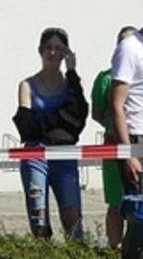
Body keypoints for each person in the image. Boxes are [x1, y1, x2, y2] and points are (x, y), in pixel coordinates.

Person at [12, 27, 88, 240]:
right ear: (40, 51)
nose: (53, 53)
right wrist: (61, 120)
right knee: (40, 220)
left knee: (73, 218)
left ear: (66, 53)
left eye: (58, 48)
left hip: (64, 156)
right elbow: (26, 128)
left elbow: (80, 116)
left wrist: (72, 71)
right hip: (36, 156)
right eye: (48, 48)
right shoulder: (27, 85)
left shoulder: (69, 84)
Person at [109, 3, 143, 215]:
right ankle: (136, 249)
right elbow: (116, 104)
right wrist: (129, 152)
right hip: (139, 136)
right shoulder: (130, 48)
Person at [92, 26, 136, 249]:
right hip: (113, 145)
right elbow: (97, 113)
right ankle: (114, 247)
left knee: (139, 198)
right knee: (116, 201)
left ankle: (135, 246)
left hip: (142, 143)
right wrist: (115, 128)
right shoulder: (106, 78)